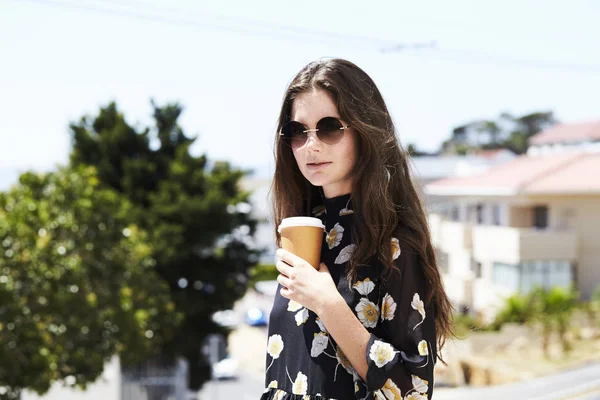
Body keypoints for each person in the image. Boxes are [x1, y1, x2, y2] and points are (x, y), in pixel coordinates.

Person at [261, 58, 453, 400]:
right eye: (297, 132)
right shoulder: (304, 234)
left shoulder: (394, 244)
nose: (311, 145)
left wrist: (327, 303)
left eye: (329, 128)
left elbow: (412, 391)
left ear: (365, 132)